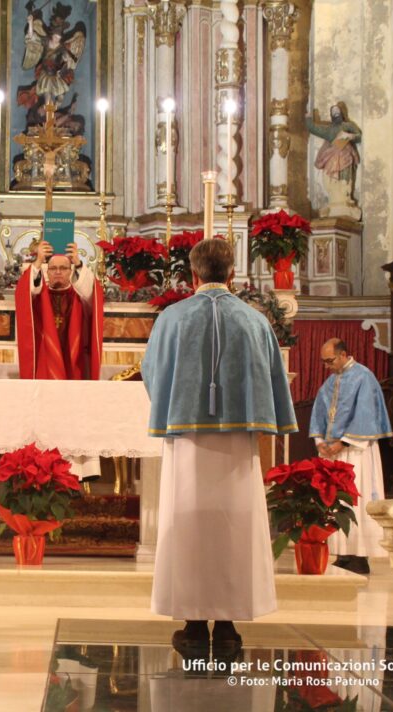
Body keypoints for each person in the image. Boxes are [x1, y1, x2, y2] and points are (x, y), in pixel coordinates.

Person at [142, 239, 297, 658]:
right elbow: (271, 374)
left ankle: (193, 627)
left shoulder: (172, 319)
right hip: (237, 440)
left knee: (188, 525)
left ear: (193, 275)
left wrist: (181, 403)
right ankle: (227, 627)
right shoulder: (253, 320)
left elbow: (152, 373)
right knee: (235, 526)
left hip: (187, 438)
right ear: (232, 274)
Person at [309, 338, 393, 575]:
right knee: (339, 501)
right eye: (324, 362)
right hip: (336, 453)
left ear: (344, 354)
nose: (327, 366)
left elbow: (366, 414)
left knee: (358, 498)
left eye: (330, 360)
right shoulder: (330, 382)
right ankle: (344, 553)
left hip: (357, 450)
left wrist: (343, 441)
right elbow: (318, 413)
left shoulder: (363, 377)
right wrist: (321, 442)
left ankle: (360, 554)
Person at [15, 241, 104, 381]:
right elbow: (26, 291)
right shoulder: (38, 296)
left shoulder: (79, 296)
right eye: (53, 268)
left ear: (70, 271)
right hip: (44, 360)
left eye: (63, 268)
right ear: (47, 271)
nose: (58, 272)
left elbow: (91, 293)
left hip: (74, 358)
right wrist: (38, 261)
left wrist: (78, 263)